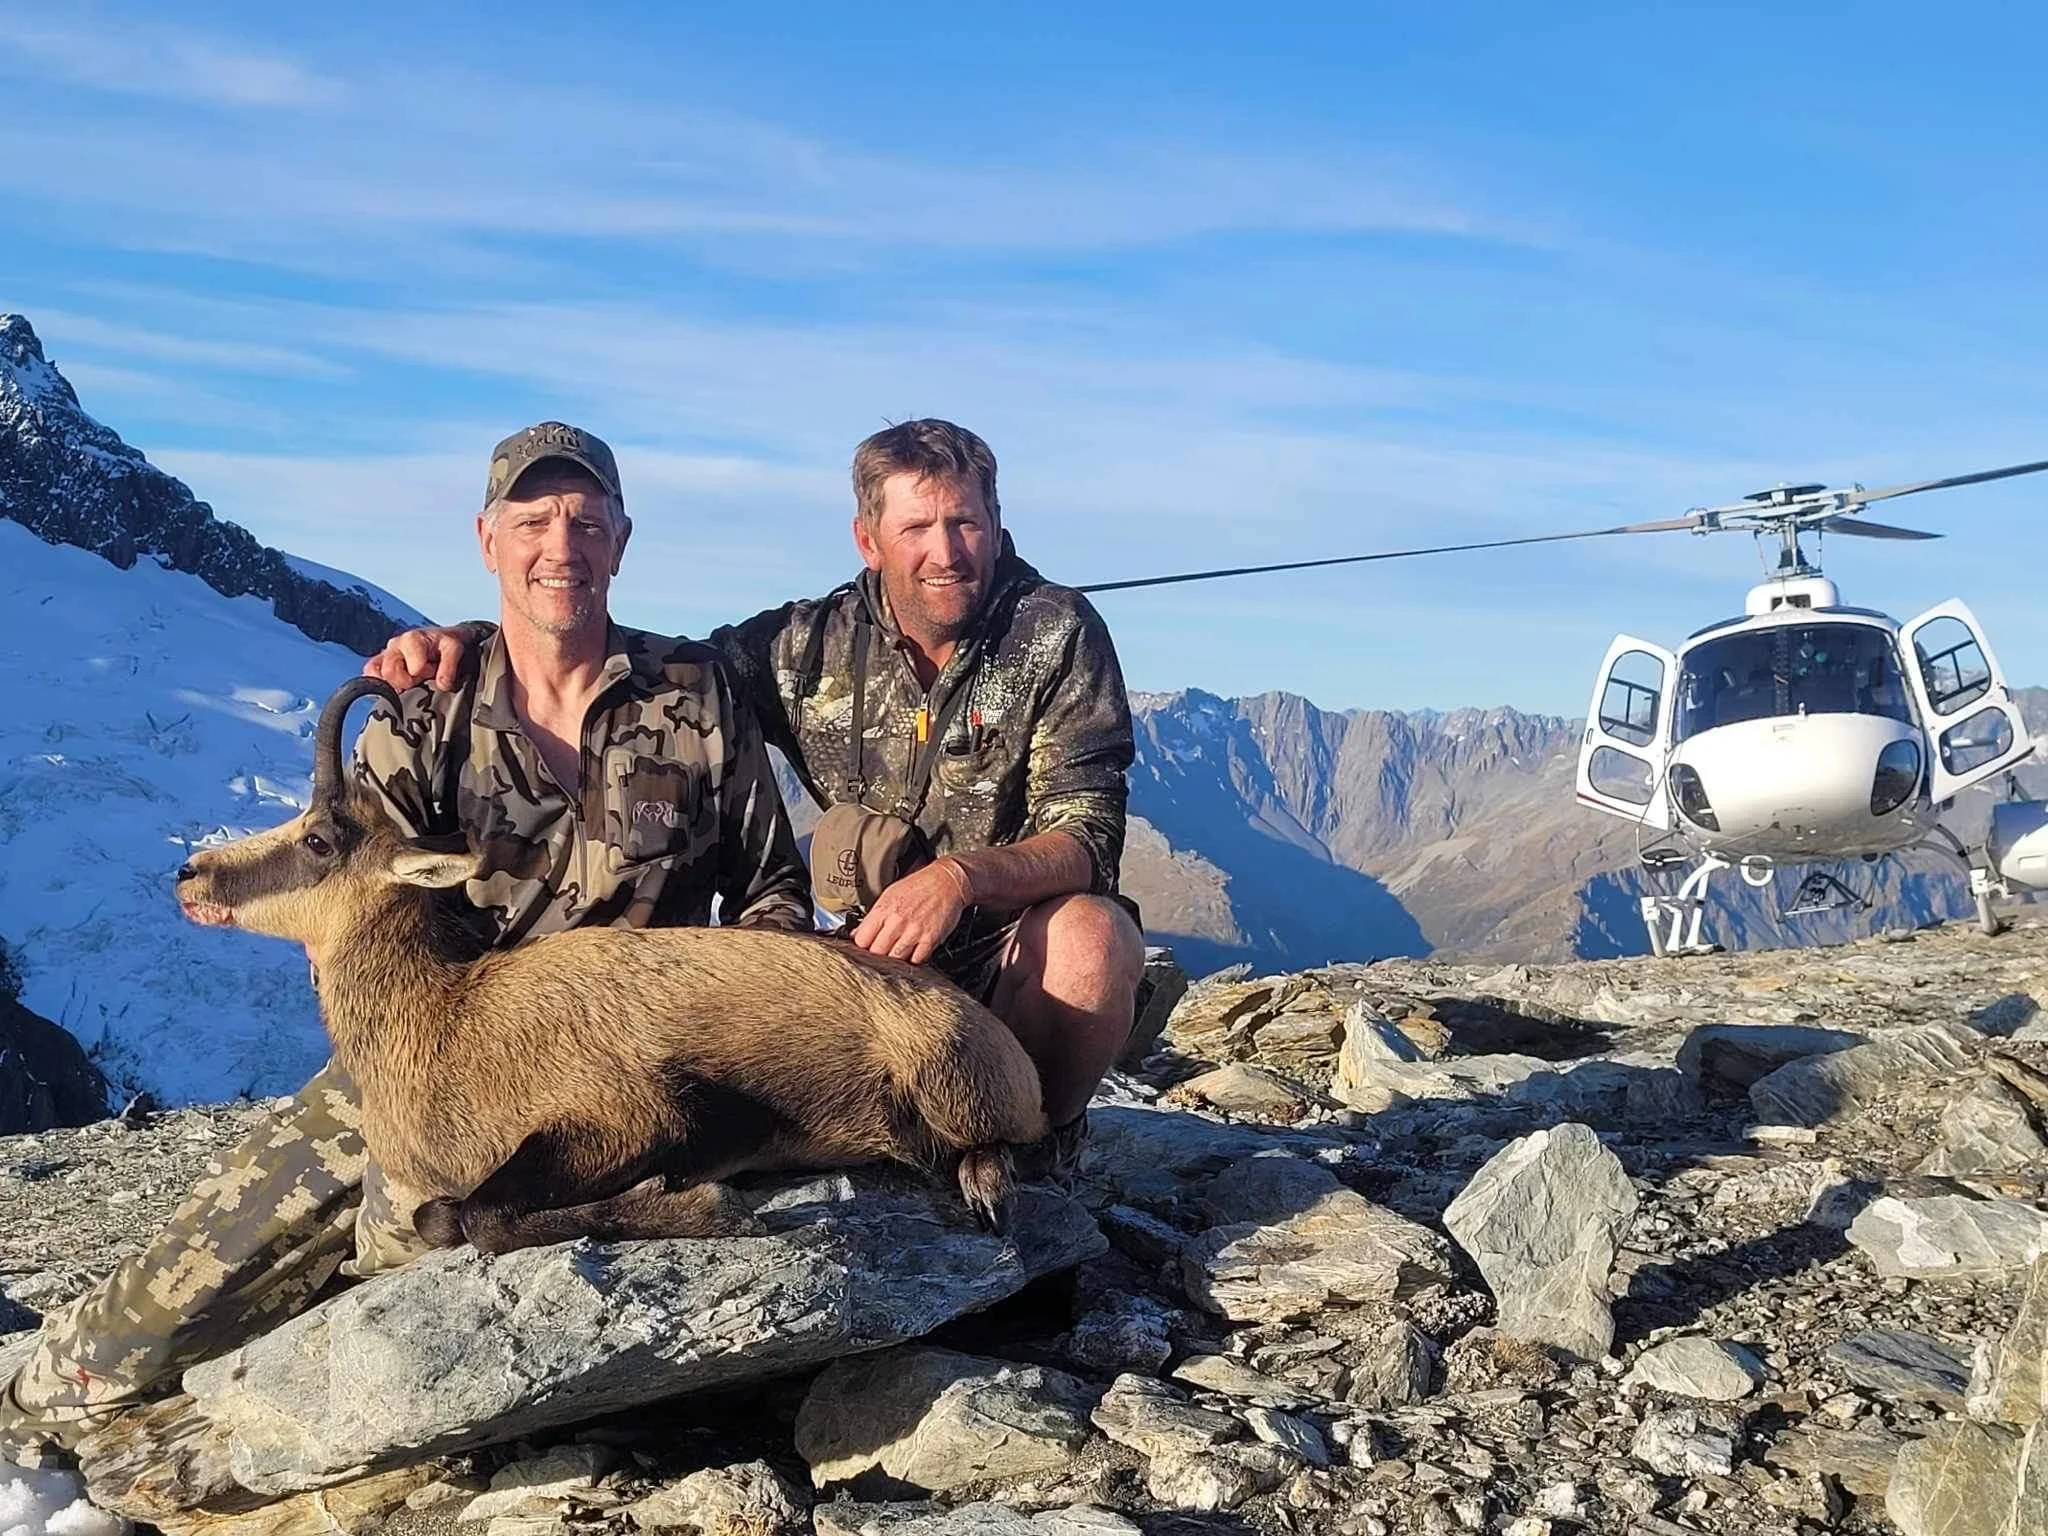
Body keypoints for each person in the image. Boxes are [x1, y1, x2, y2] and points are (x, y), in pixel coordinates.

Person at [0, 422, 813, 1455]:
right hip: (433, 1064)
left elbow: (772, 893)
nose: (559, 544)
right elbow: (347, 905)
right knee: (192, 1275)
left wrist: (746, 1036)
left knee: (407, 1260)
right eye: (532, 521)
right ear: (487, 540)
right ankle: (39, 1418)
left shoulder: (695, 701)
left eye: (584, 520)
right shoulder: (425, 708)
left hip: (630, 1075)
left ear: (620, 539)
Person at [367, 419, 1148, 1146]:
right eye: (916, 527)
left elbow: (1087, 840)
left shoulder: (1057, 634)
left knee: (1094, 939)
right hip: (869, 962)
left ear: (996, 523)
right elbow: (627, 664)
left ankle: (1029, 1154)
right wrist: (468, 642)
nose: (945, 553)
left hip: (1003, 955)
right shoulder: (799, 647)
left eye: (964, 523)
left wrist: (956, 879)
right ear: (868, 540)